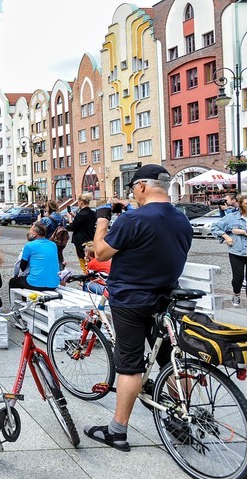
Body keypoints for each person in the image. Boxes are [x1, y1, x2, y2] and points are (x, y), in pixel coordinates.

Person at [84, 164, 193, 451]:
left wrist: (102, 221)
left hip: (131, 300)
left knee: (130, 366)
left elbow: (101, 251)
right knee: (172, 361)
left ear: (142, 186)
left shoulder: (132, 220)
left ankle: (117, 430)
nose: (134, 193)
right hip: (166, 299)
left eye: (134, 188)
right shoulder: (182, 220)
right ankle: (184, 417)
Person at [211, 194, 247, 315]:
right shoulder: (232, 217)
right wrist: (226, 237)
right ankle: (236, 293)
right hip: (236, 250)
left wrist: (244, 232)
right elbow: (215, 227)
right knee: (238, 278)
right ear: (241, 205)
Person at [7, 222, 60, 291]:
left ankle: (20, 301)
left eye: (30, 230)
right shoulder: (53, 245)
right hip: (54, 284)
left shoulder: (29, 245)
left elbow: (22, 267)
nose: (29, 232)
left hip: (36, 283)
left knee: (13, 282)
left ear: (35, 234)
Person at [66, 194, 97, 273]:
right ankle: (91, 273)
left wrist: (70, 219)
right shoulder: (93, 213)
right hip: (90, 239)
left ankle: (86, 275)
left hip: (80, 241)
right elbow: (84, 223)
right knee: (91, 259)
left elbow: (72, 227)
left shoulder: (81, 215)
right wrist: (75, 216)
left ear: (81, 202)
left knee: (83, 260)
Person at [39, 201, 65, 268]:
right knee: (59, 259)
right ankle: (61, 274)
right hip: (59, 243)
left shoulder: (45, 219)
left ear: (48, 208)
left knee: (47, 262)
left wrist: (39, 220)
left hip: (48, 242)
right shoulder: (62, 218)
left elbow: (39, 231)